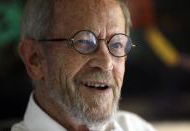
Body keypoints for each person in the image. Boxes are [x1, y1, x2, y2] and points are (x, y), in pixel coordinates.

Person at [11, 0, 156, 130]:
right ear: (34, 58)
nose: (106, 64)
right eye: (84, 42)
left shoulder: (138, 127)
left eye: (117, 44)